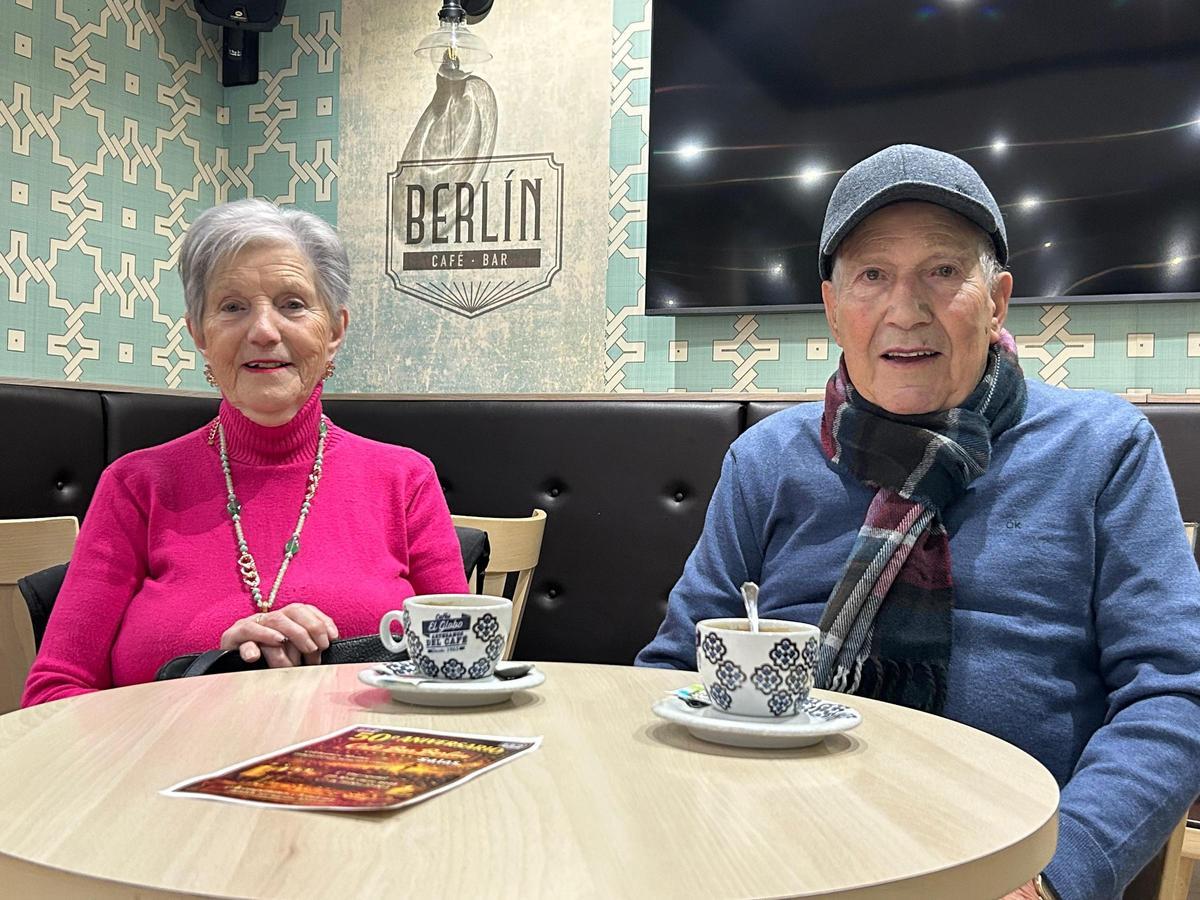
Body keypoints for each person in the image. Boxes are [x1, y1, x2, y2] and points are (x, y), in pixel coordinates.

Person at [636, 144, 1200, 900]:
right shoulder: (766, 459)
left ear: (997, 299)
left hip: (1004, 861)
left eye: (942, 271)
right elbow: (675, 668)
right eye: (872, 275)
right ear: (834, 311)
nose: (907, 309)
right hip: (768, 840)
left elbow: (1173, 691)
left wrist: (1057, 874)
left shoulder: (1102, 448)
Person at [23, 198, 469, 706]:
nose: (263, 331)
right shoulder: (135, 484)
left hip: (370, 771)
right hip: (170, 773)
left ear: (335, 331)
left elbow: (457, 671)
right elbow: (55, 693)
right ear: (199, 334)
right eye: (233, 307)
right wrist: (214, 667)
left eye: (293, 304)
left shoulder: (404, 478)